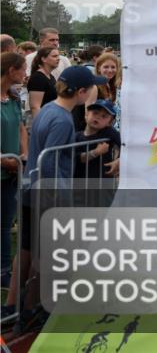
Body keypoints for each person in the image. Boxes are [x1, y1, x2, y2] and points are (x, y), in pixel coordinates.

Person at [9, 65, 106, 322]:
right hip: (48, 193)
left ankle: (13, 305)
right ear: (82, 92)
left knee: (28, 247)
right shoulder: (62, 118)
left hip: (33, 188)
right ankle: (31, 308)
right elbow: (49, 161)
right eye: (91, 89)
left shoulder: (49, 109)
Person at [1, 52, 28, 290]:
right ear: (11, 71)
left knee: (5, 223)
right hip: (4, 167)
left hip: (11, 172)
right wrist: (4, 161)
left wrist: (24, 154)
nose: (25, 74)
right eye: (22, 69)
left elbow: (21, 128)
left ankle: (3, 271)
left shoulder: (13, 97)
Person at [74, 100, 121, 180]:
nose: (98, 117)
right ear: (86, 114)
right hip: (80, 183)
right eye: (95, 113)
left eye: (104, 116)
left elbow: (125, 145)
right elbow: (76, 158)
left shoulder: (108, 132)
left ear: (110, 122)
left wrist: (119, 160)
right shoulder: (76, 136)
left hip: (103, 183)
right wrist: (96, 152)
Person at [27, 46, 60, 118]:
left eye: (58, 56)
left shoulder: (50, 76)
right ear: (43, 59)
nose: (58, 58)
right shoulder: (38, 78)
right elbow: (35, 107)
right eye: (54, 56)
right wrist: (41, 126)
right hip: (44, 121)